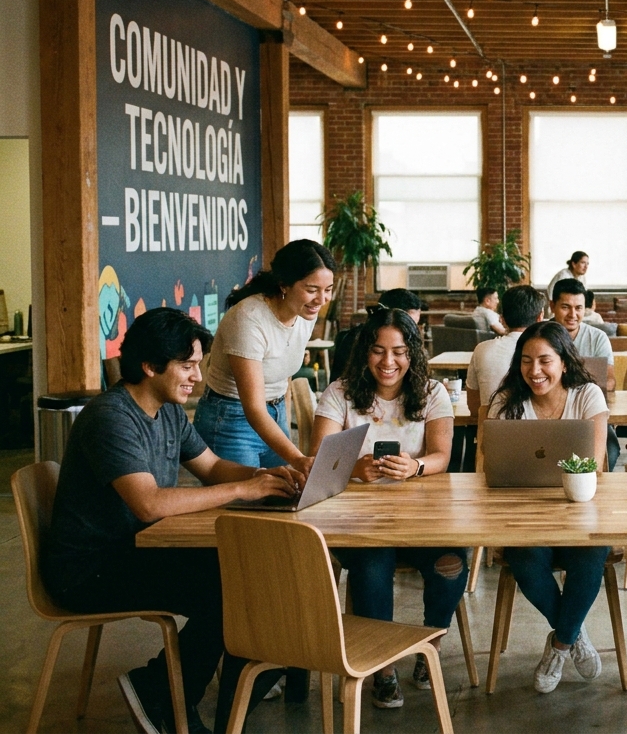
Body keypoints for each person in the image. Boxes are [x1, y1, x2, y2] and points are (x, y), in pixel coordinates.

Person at [42, 308, 303, 734]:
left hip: (135, 551)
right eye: (187, 365)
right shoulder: (111, 417)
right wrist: (242, 490)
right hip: (89, 571)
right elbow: (148, 504)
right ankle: (161, 694)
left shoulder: (166, 410)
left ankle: (216, 706)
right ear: (150, 366)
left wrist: (265, 477)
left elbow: (213, 466)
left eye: (197, 365)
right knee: (230, 591)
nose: (196, 377)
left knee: (248, 577)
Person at [314, 309, 465, 709]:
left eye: (398, 351)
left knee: (452, 562)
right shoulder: (340, 394)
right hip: (358, 523)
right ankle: (382, 669)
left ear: (412, 354)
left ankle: (429, 644)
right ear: (366, 353)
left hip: (420, 521)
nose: (388, 361)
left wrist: (415, 466)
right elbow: (318, 460)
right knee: (372, 565)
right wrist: (353, 469)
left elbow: (441, 457)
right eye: (378, 351)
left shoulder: (432, 393)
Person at [487, 322, 612, 693]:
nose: (535, 371)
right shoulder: (505, 400)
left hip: (579, 508)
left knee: (592, 555)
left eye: (545, 360)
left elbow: (594, 458)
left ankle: (560, 644)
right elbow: (492, 462)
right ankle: (572, 629)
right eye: (526, 361)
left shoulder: (587, 394)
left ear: (563, 361)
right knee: (525, 560)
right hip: (523, 511)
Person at [195, 240, 335, 478]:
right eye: (312, 290)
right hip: (231, 418)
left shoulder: (305, 313)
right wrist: (297, 458)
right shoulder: (248, 319)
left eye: (328, 289)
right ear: (284, 285)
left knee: (282, 495)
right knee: (241, 506)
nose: (321, 300)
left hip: (275, 411)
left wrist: (284, 425)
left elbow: (284, 376)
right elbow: (253, 408)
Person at [550, 278, 619, 469]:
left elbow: (610, 382)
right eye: (565, 307)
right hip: (548, 415)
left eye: (579, 308)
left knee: (610, 450)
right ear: (552, 306)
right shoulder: (540, 336)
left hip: (589, 414)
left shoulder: (598, 337)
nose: (573, 314)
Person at [468, 285, 546, 412]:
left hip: (492, 428)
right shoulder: (551, 350)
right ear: (540, 317)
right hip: (537, 429)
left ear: (502, 319)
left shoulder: (481, 350)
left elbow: (474, 408)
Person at [331, 288, 425, 382]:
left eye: (414, 326)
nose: (412, 332)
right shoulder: (357, 341)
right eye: (378, 351)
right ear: (389, 316)